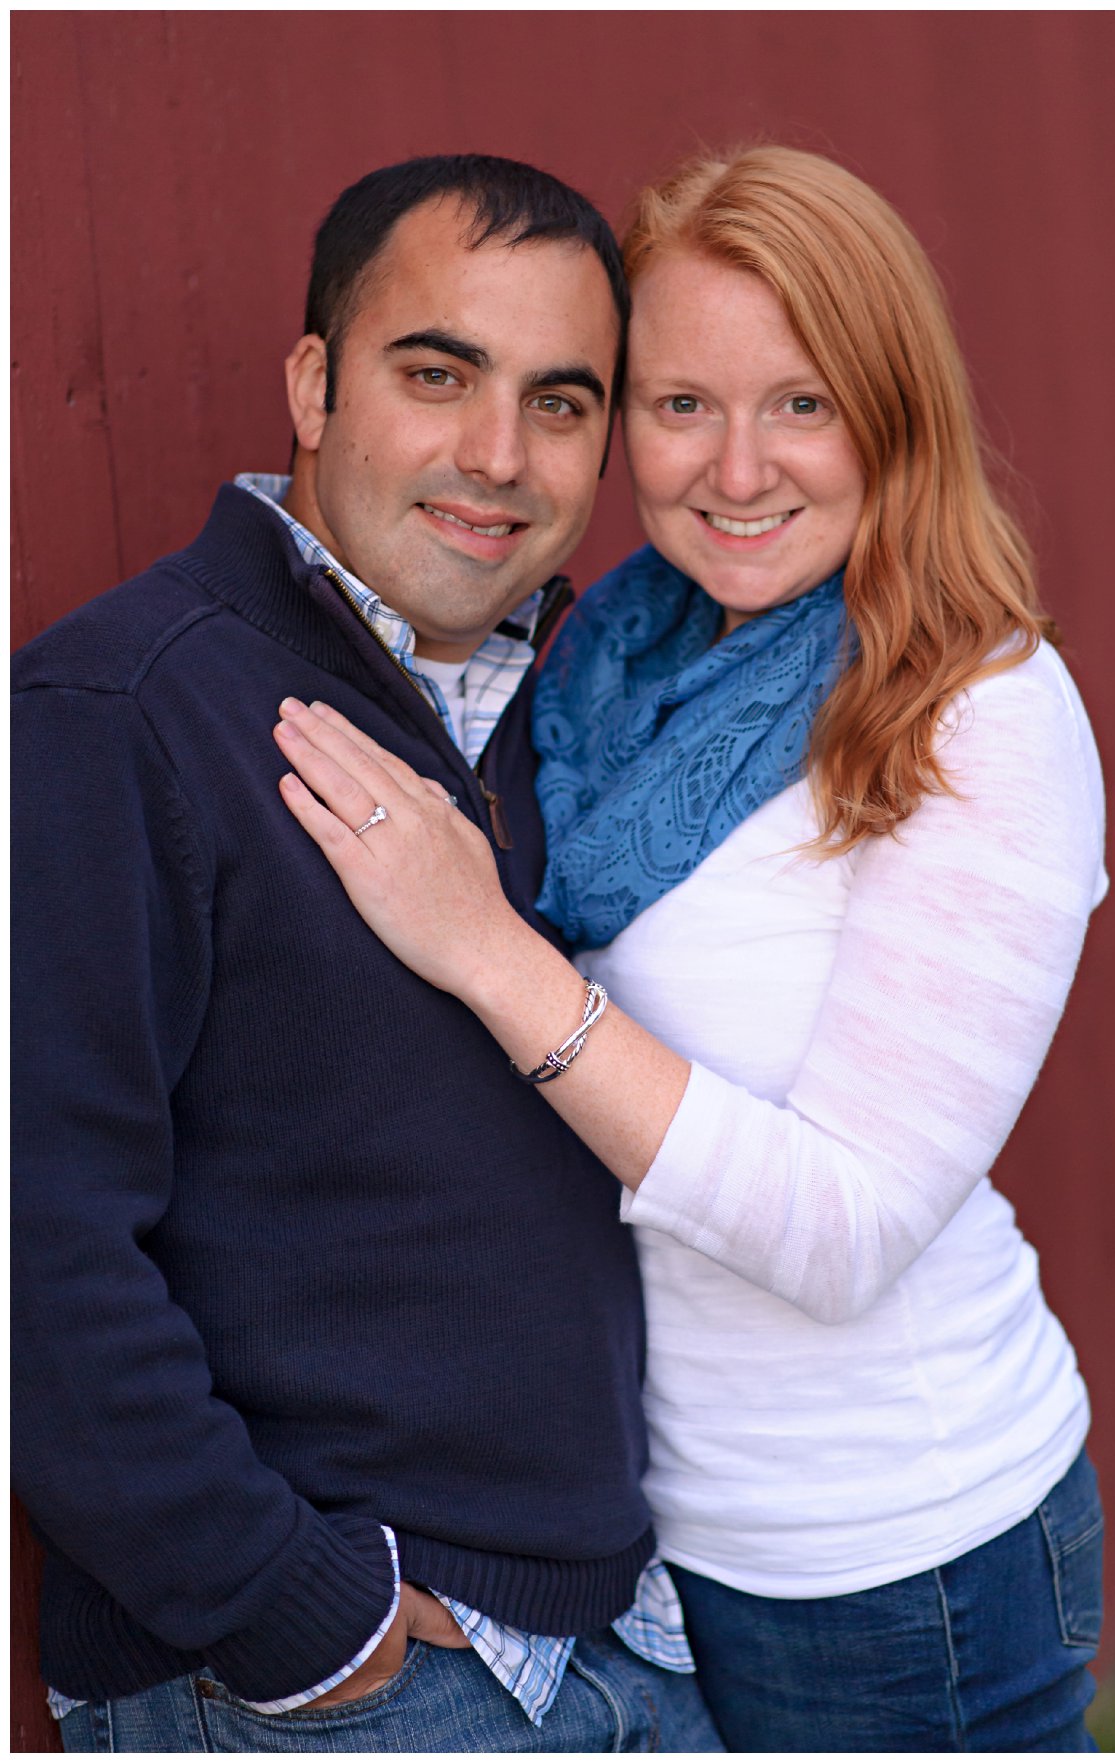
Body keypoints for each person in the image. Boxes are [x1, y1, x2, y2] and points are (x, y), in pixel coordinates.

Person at [271, 145, 1108, 1752]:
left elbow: (845, 1224)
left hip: (889, 1557)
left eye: (802, 404)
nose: (736, 470)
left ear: (895, 412)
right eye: (678, 405)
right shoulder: (602, 663)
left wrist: (491, 950)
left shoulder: (979, 712)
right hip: (649, 1553)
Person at [13, 156, 721, 1750]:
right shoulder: (121, 713)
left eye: (562, 402)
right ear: (315, 383)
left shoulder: (586, 712)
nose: (496, 456)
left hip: (628, 1636)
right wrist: (303, 1620)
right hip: (348, 1676)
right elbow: (32, 1244)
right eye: (436, 373)